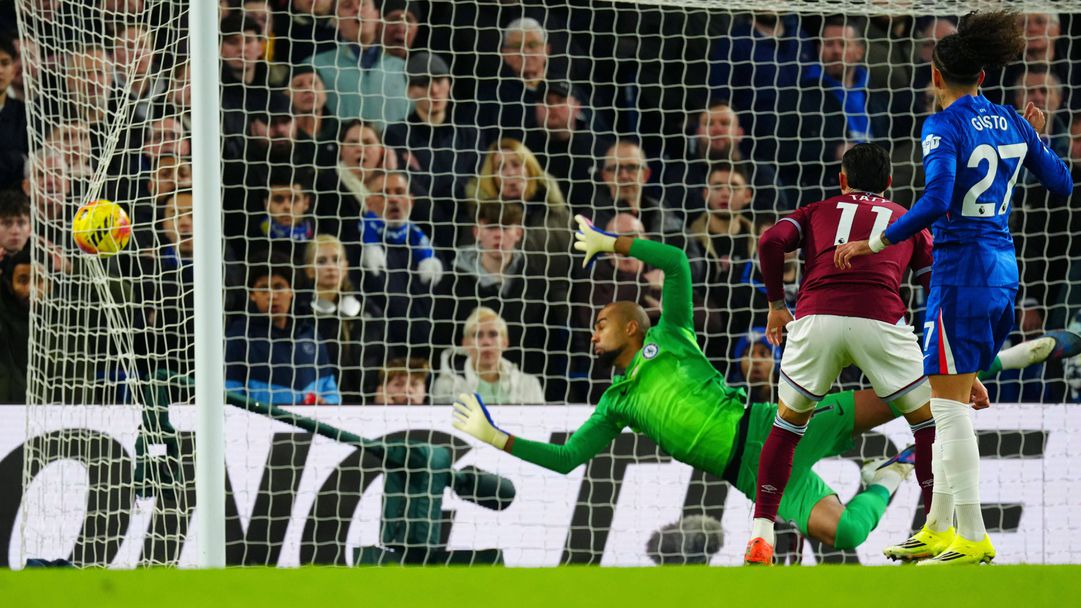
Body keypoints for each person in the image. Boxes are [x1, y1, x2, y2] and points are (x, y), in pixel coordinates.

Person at [451, 225, 1075, 557]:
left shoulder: (671, 335)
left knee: (905, 392)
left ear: (634, 325)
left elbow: (677, 263)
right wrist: (494, 437)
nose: (594, 330)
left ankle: (1001, 360)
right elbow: (566, 459)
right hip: (752, 476)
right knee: (847, 535)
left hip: (775, 427)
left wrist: (614, 243)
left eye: (602, 320)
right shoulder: (616, 403)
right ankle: (890, 475)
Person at [835, 10, 1073, 565]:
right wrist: (1034, 136)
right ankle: (938, 526)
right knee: (949, 396)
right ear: (984, 76)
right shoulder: (1013, 121)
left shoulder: (942, 125)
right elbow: (1061, 183)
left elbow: (938, 199)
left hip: (960, 271)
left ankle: (972, 533)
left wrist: (875, 242)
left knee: (946, 408)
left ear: (936, 76)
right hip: (1002, 269)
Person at [744, 144, 937, 566]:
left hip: (818, 320)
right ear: (889, 183)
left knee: (786, 427)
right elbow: (933, 282)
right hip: (881, 320)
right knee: (928, 425)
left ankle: (761, 535)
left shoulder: (816, 210)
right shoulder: (907, 218)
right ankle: (934, 531)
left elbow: (771, 240)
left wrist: (776, 304)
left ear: (842, 180)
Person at [225, 260, 341, 406]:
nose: (272, 295)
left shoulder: (310, 335)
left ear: (291, 291)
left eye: (279, 287)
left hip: (312, 421)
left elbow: (332, 393)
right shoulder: (238, 339)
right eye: (263, 289)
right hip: (260, 421)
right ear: (252, 295)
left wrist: (325, 403)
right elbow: (231, 399)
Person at [431, 306, 545, 405]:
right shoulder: (447, 386)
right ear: (465, 344)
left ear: (505, 342)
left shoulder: (529, 385)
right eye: (478, 335)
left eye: (493, 334)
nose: (486, 342)